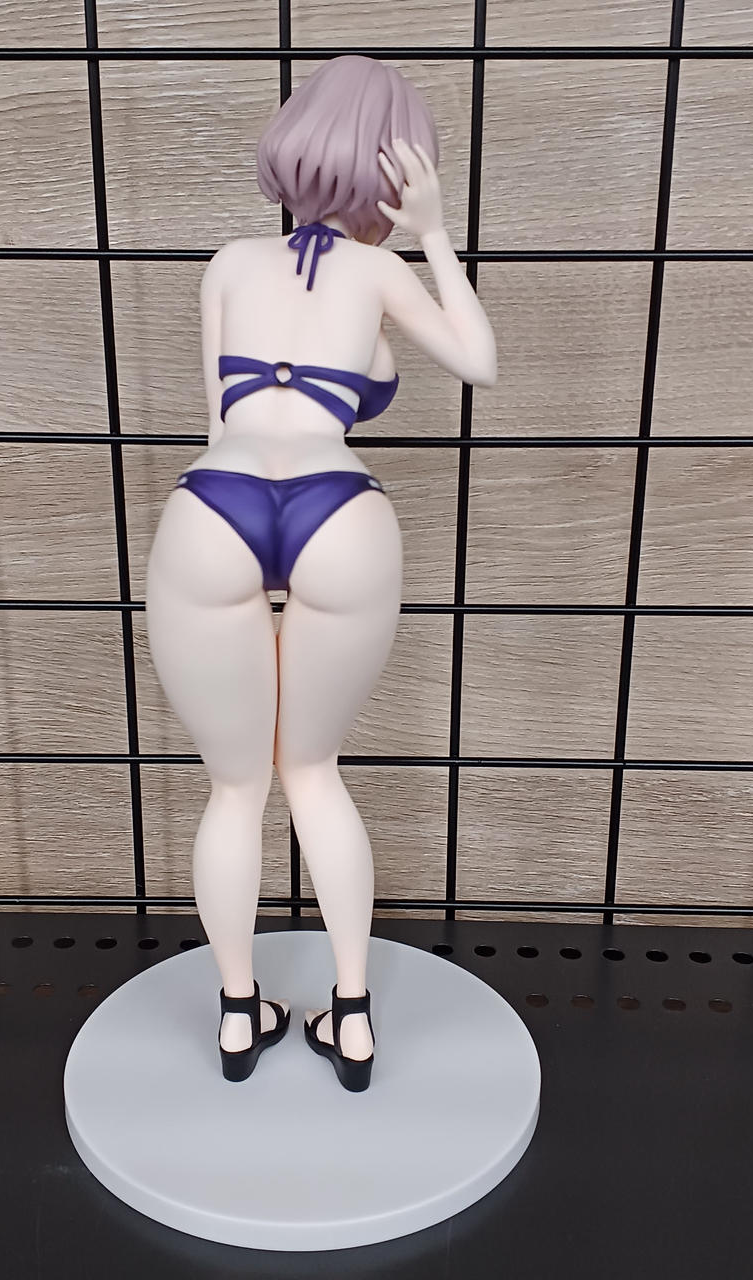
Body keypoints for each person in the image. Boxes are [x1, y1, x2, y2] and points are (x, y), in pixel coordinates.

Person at [144, 55, 496, 1091]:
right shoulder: (380, 275)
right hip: (339, 512)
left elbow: (217, 417)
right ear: (395, 170)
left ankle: (236, 1015)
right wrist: (433, 232)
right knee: (313, 772)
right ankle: (350, 1016)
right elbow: (478, 362)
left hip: (215, 506)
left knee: (233, 785)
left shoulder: (228, 263)